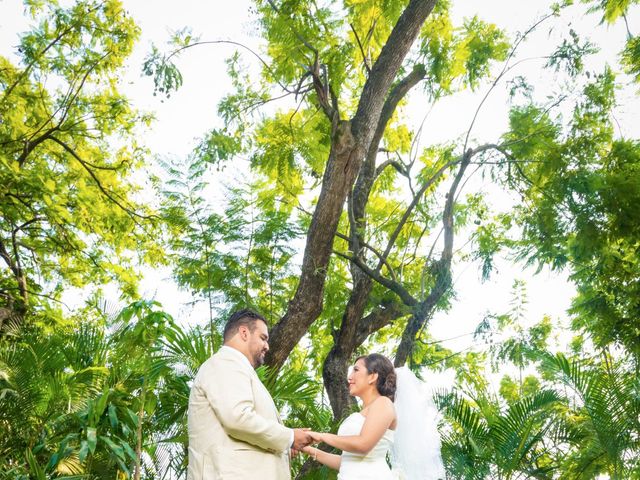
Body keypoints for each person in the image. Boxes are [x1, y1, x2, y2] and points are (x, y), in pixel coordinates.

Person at [187, 309, 312, 479]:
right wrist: (289, 437)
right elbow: (237, 418)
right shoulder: (226, 363)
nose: (267, 346)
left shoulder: (239, 369)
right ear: (244, 333)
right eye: (263, 338)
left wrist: (282, 449)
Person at [302, 353, 446, 480]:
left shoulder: (383, 404)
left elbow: (363, 445)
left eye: (356, 370)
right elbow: (348, 461)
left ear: (372, 376)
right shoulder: (360, 413)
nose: (350, 377)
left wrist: (321, 436)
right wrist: (306, 448)